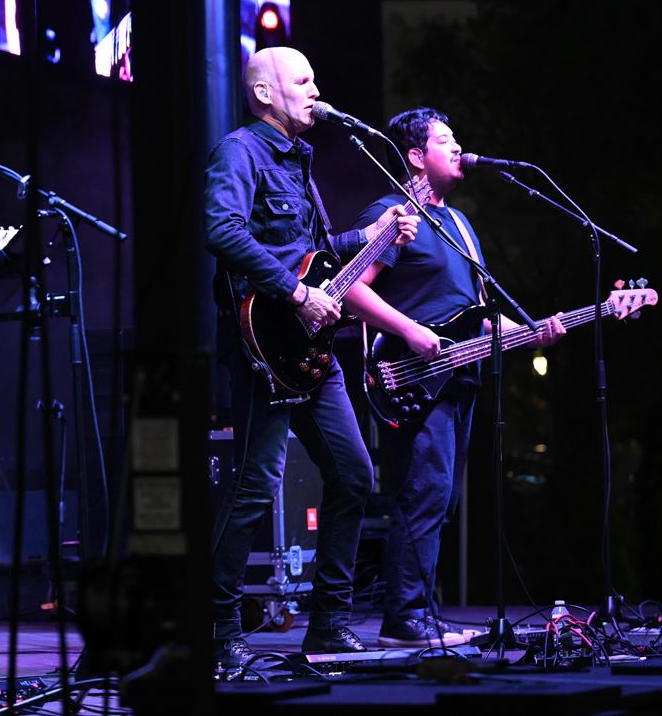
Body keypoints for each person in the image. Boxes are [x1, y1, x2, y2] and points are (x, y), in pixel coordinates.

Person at [205, 46, 420, 670]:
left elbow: (313, 251)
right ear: (264, 93)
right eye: (303, 80)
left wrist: (376, 236)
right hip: (263, 341)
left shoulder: (300, 159)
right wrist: (296, 293)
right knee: (255, 484)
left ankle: (328, 624)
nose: (316, 89)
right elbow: (222, 229)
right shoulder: (240, 152)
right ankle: (218, 628)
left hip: (311, 351)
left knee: (354, 474)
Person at [342, 107, 564, 648]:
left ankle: (420, 612)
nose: (459, 147)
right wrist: (410, 330)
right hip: (411, 377)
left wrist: (533, 333)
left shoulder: (460, 225)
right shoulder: (392, 214)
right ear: (416, 157)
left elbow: (481, 315)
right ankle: (404, 619)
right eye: (446, 140)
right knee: (424, 493)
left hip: (458, 377)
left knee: (440, 501)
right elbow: (351, 291)